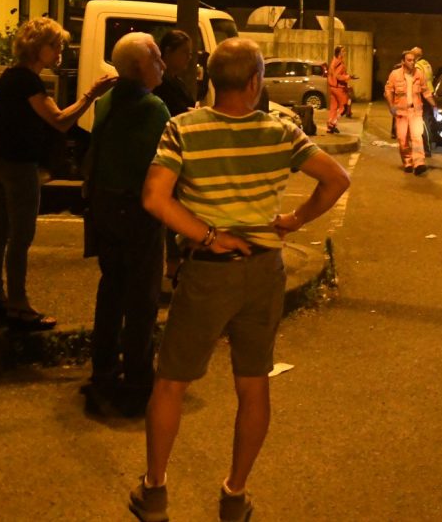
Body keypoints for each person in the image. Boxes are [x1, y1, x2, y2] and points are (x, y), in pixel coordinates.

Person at [129, 38, 350, 522]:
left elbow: (155, 198)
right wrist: (293, 219)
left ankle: (155, 493)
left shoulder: (182, 128)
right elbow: (336, 180)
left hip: (208, 274)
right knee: (253, 385)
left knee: (170, 384)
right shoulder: (281, 132)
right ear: (255, 83)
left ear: (211, 78)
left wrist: (209, 236)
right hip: (264, 273)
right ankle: (234, 495)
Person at [0, 17, 115, 332]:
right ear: (36, 46)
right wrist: (91, 95)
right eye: (54, 45)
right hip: (18, 166)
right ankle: (18, 305)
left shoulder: (9, 76)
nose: (60, 51)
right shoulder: (28, 81)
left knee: (0, 230)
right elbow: (59, 120)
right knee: (21, 235)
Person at [85, 33, 170, 416]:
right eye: (156, 58)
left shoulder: (106, 102)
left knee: (111, 290)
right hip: (137, 211)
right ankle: (138, 379)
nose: (163, 65)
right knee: (141, 299)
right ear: (140, 67)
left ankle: (103, 370)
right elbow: (166, 166)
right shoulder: (153, 109)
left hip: (104, 207)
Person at [152, 29, 197, 282]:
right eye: (184, 53)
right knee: (174, 210)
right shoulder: (163, 84)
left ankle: (174, 263)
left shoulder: (175, 81)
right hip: (171, 156)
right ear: (167, 52)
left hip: (178, 154)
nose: (188, 59)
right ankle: (174, 264)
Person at [385, 49, 437, 175]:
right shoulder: (395, 74)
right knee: (402, 139)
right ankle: (408, 162)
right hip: (401, 112)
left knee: (417, 137)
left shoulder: (419, 74)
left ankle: (419, 163)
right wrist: (391, 106)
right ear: (403, 61)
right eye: (409, 60)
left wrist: (434, 105)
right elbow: (388, 91)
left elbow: (425, 91)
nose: (412, 62)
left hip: (415, 111)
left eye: (413, 60)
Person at [152, 29, 196, 117]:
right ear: (168, 51)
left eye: (190, 53)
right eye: (184, 52)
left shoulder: (178, 81)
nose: (189, 57)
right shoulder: (158, 82)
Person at [412, 46, 436, 157]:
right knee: (426, 122)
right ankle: (427, 145)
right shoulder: (426, 64)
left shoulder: (417, 66)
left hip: (423, 96)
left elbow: (418, 83)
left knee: (423, 123)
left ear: (415, 56)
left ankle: (426, 148)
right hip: (430, 93)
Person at [326, 45, 355, 133]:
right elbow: (338, 76)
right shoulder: (339, 63)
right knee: (344, 107)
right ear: (339, 53)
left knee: (333, 107)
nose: (345, 53)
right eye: (343, 51)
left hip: (332, 87)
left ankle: (329, 126)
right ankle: (333, 124)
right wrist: (348, 76)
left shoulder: (333, 61)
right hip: (339, 88)